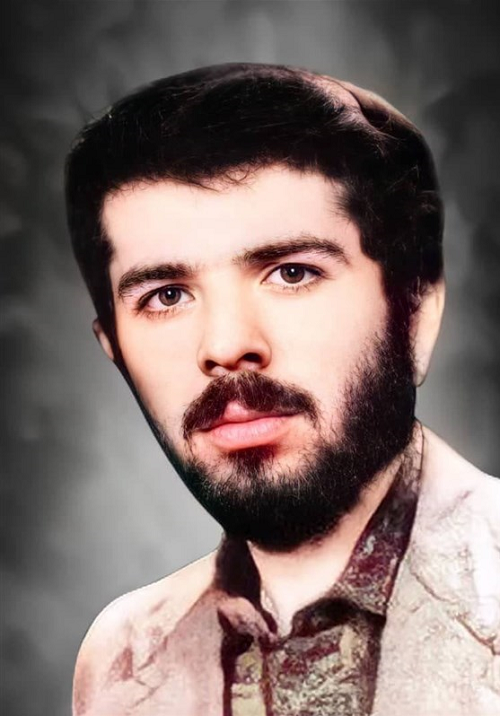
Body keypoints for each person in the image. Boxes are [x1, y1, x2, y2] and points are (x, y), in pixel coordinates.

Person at [65, 63, 500, 716]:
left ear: (416, 309)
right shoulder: (119, 664)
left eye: (291, 272)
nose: (225, 344)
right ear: (115, 350)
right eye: (167, 295)